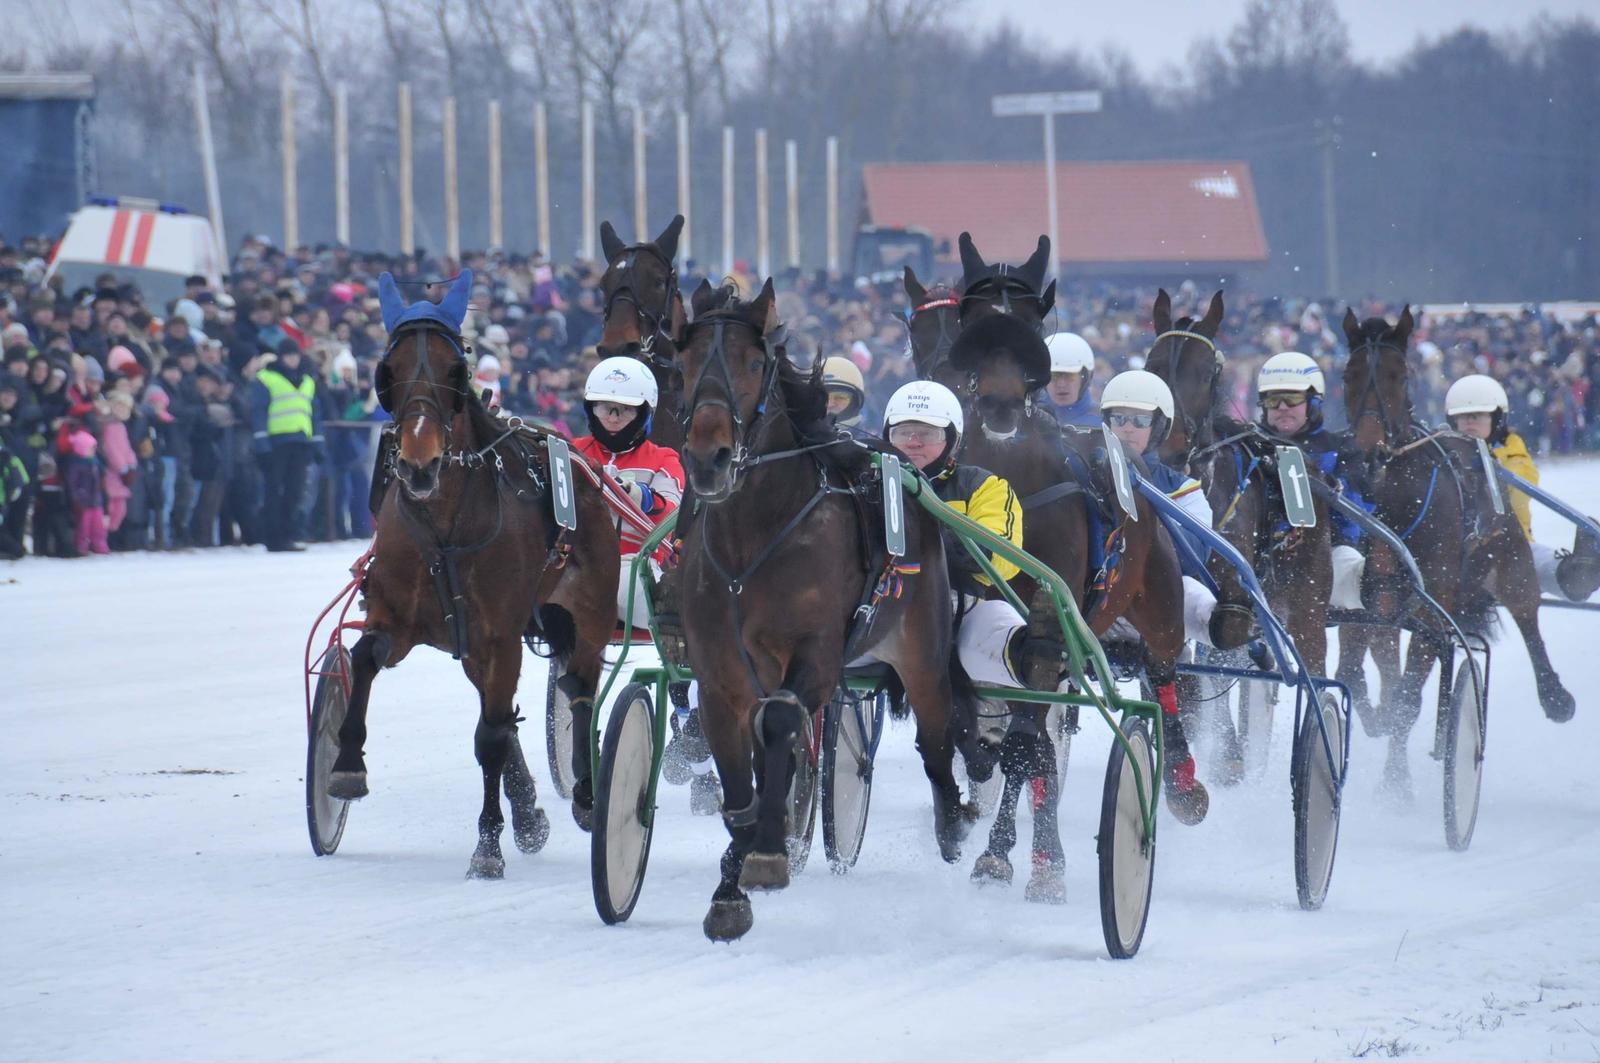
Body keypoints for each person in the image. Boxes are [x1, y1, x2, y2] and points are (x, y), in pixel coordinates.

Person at [1445, 374, 1600, 601]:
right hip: (1449, 550)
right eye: (1462, 418)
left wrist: (1490, 465)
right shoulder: (1440, 455)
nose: (1469, 423)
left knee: (1535, 561)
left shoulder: (1511, 451)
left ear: (1495, 419)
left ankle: (1576, 574)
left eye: (1476, 416)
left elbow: (1520, 491)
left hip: (1508, 545)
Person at [571, 356, 684, 625]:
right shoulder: (571, 450)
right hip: (576, 562)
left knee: (627, 585)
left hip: (635, 565)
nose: (612, 418)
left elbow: (672, 512)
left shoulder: (663, 459)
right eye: (604, 408)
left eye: (625, 410)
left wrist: (641, 497)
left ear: (644, 413)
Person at [1256, 351, 1371, 609]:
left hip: (1328, 553)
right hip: (1257, 554)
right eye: (1273, 400)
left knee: (1353, 573)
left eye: (1293, 398)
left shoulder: (1341, 448)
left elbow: (1357, 514)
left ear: (1313, 402)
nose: (1282, 407)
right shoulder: (1248, 448)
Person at [250, 342, 322, 552]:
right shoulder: (266, 378)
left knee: (295, 492)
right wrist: (261, 443)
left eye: (295, 356)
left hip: (300, 441)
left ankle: (289, 535)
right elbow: (259, 411)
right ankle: (273, 537)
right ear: (280, 357)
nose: (292, 360)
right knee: (274, 492)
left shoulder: (308, 380)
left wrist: (317, 442)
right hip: (276, 443)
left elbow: (314, 413)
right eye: (288, 356)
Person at [1043, 331, 1099, 428]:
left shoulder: (1107, 424)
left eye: (1069, 376)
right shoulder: (1026, 420)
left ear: (1085, 379)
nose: (1061, 384)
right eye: (1054, 375)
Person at [820, 356, 870, 435]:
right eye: (822, 397)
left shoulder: (867, 445)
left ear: (855, 402)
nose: (829, 404)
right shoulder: (797, 441)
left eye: (840, 397)